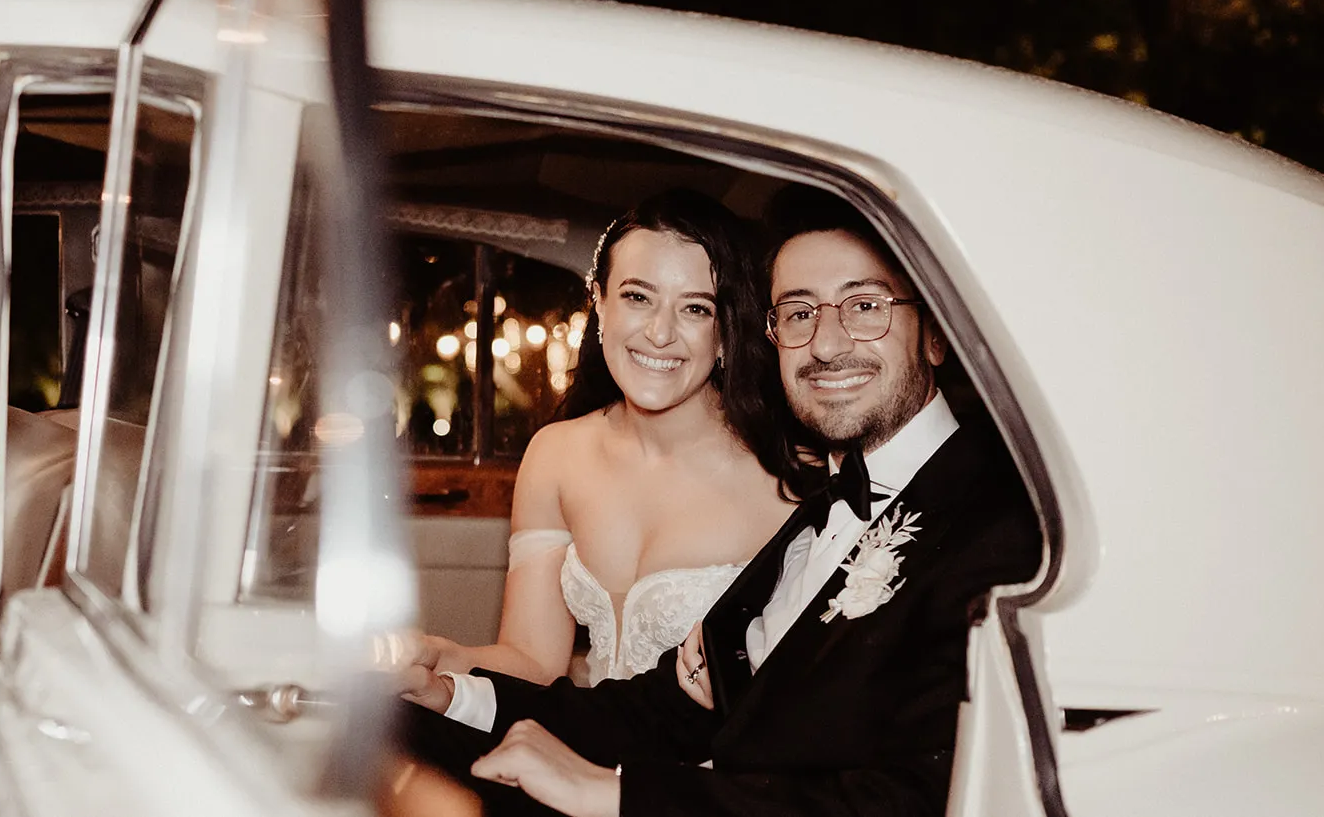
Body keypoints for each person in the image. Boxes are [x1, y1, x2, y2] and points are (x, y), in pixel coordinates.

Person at [399, 191, 1044, 817]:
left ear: (936, 333)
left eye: (865, 306)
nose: (825, 344)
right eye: (799, 312)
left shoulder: (1000, 524)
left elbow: (930, 797)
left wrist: (614, 797)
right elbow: (667, 709)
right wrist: (453, 694)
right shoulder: (822, 513)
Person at [405, 190, 803, 689]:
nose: (660, 333)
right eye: (638, 297)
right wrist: (440, 656)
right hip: (575, 741)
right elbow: (533, 660)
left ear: (725, 331)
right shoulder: (556, 454)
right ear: (600, 302)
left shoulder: (785, 479)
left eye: (696, 309)